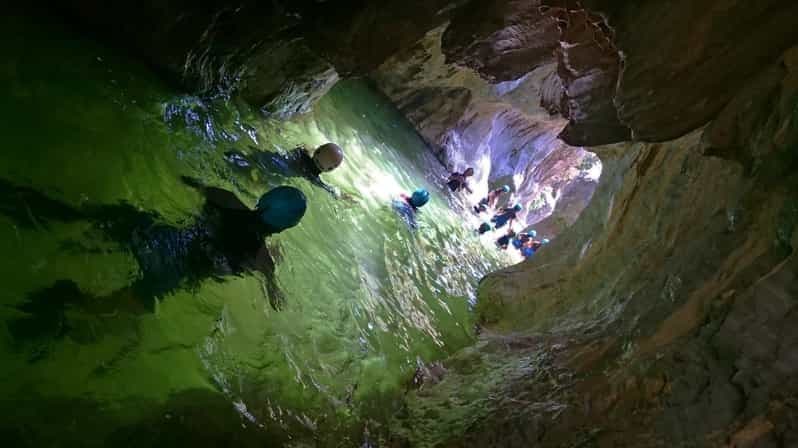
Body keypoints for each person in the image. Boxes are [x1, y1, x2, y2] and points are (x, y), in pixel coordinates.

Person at [0, 176, 306, 345]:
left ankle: (28, 205)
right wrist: (272, 271)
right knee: (131, 305)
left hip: (161, 235)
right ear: (285, 227)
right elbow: (276, 299)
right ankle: (67, 301)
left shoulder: (225, 199)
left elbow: (188, 180)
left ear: (264, 199)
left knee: (88, 217)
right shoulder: (260, 259)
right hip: (174, 269)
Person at [225, 142, 344, 197]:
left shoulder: (301, 152)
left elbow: (304, 147)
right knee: (262, 181)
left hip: (272, 158)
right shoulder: (311, 175)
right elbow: (326, 187)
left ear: (318, 149)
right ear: (330, 169)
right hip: (276, 172)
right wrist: (335, 193)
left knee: (249, 159)